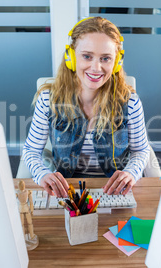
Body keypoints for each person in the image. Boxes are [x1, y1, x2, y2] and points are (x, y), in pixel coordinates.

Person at [23, 17, 150, 198]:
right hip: (67, 191)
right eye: (87, 56)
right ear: (71, 57)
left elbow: (141, 150)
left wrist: (131, 173)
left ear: (116, 63)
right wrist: (42, 174)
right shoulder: (48, 100)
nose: (96, 68)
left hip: (114, 192)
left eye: (105, 58)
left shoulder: (130, 103)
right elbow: (31, 150)